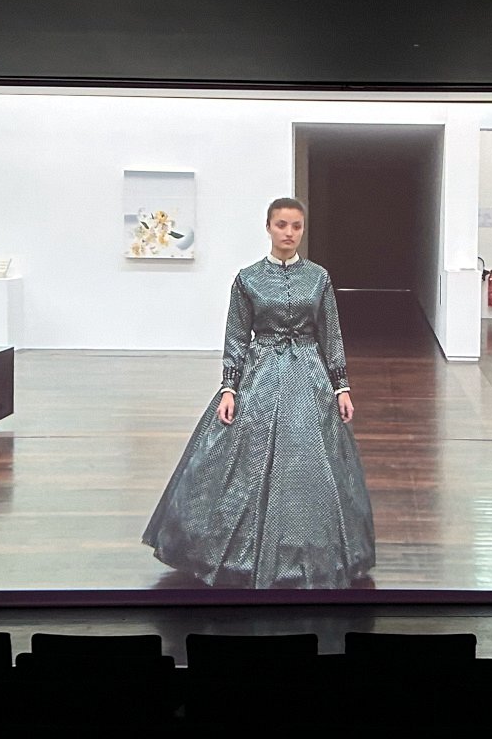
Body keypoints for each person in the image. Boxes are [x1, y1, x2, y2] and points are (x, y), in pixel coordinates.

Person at [142, 197, 376, 588]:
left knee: (309, 461)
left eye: (296, 226)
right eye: (281, 224)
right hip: (260, 372)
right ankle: (235, 553)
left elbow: (331, 334)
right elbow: (236, 336)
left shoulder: (318, 278)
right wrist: (229, 387)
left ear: (303, 229)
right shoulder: (247, 279)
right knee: (240, 460)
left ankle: (314, 551)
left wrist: (341, 386)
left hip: (309, 374)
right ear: (268, 227)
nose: (289, 232)